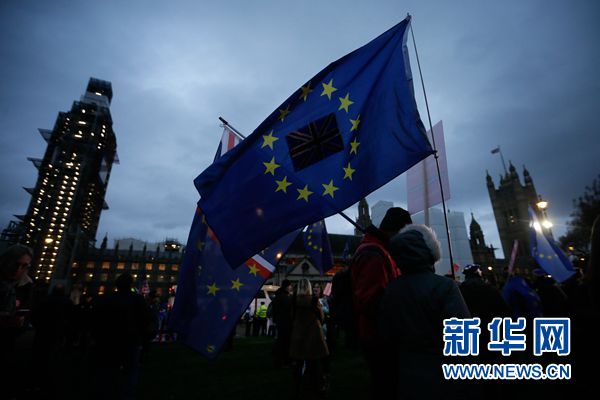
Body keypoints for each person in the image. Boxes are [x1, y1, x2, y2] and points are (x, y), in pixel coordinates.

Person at [380, 224, 472, 400]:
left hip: (406, 375)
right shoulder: (445, 286)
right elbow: (463, 337)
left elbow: (386, 334)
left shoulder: (391, 290)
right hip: (444, 375)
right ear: (431, 252)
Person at [350, 207, 411, 399]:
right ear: (397, 231)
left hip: (382, 334)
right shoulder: (373, 253)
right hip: (379, 336)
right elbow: (372, 301)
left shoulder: (382, 249)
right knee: (386, 386)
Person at [91, 273, 154, 400]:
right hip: (130, 341)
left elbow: (96, 320)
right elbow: (145, 320)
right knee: (130, 372)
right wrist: (145, 340)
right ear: (130, 285)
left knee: (109, 370)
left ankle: (107, 392)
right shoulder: (137, 299)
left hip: (109, 341)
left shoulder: (106, 299)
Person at [0, 244, 33, 400]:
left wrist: (21, 323)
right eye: (16, 264)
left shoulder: (27, 286)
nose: (18, 269)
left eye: (24, 266)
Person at [289, 278, 329, 396]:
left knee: (298, 361)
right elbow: (321, 316)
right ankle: (316, 385)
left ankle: (297, 386)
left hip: (299, 332)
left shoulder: (294, 300)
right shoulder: (313, 300)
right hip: (313, 332)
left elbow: (291, 316)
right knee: (314, 360)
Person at [271, 279, 293, 367]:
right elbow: (288, 309)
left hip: (280, 322)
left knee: (280, 341)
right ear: (286, 286)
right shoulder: (284, 297)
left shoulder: (278, 295)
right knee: (285, 342)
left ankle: (278, 360)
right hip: (285, 322)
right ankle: (284, 360)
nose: (291, 287)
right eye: (290, 286)